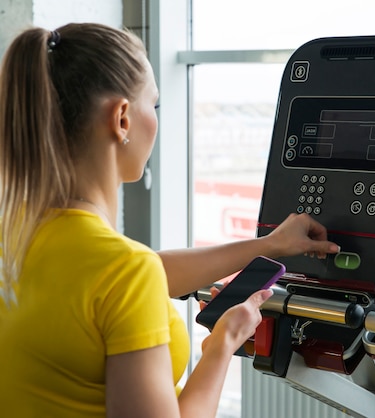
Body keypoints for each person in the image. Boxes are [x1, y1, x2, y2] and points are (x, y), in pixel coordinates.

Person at [0, 23, 339, 418]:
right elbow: (126, 279)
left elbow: (131, 277)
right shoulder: (121, 272)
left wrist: (268, 245)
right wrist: (222, 345)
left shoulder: (18, 232)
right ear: (122, 118)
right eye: (154, 105)